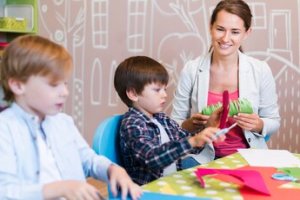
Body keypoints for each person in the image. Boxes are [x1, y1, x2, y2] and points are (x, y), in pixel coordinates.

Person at [0, 35, 142, 200]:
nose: (65, 92)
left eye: (65, 84)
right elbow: (4, 191)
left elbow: (88, 160)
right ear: (18, 85)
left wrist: (112, 169)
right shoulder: (5, 129)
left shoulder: (63, 122)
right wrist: (59, 189)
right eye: (54, 85)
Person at [171, 0, 280, 162]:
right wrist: (191, 124)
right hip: (200, 158)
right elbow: (174, 125)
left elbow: (274, 121)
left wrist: (258, 124)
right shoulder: (191, 70)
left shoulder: (260, 70)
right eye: (220, 29)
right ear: (211, 27)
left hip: (248, 159)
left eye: (235, 32)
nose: (225, 38)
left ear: (247, 33)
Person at [114, 56, 224, 185]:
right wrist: (193, 141)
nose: (165, 94)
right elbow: (152, 159)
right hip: (148, 190)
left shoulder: (161, 119)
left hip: (170, 183)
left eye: (164, 89)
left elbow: (188, 145)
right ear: (133, 94)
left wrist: (205, 134)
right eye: (157, 90)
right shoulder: (132, 124)